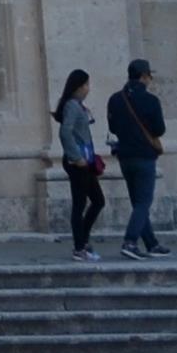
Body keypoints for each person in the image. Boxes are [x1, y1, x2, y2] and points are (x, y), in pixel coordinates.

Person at [106, 59, 168, 257]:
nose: (150, 79)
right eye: (149, 75)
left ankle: (151, 243)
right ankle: (130, 241)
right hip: (144, 156)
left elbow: (113, 127)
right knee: (143, 202)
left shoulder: (115, 99)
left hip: (124, 156)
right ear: (143, 76)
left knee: (137, 202)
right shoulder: (151, 101)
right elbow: (160, 129)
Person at [53, 68, 108, 260]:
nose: (88, 89)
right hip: (78, 162)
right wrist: (76, 157)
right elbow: (65, 132)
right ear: (78, 86)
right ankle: (79, 247)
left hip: (85, 161)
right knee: (80, 204)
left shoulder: (76, 106)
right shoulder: (72, 106)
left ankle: (83, 241)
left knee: (98, 201)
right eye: (85, 85)